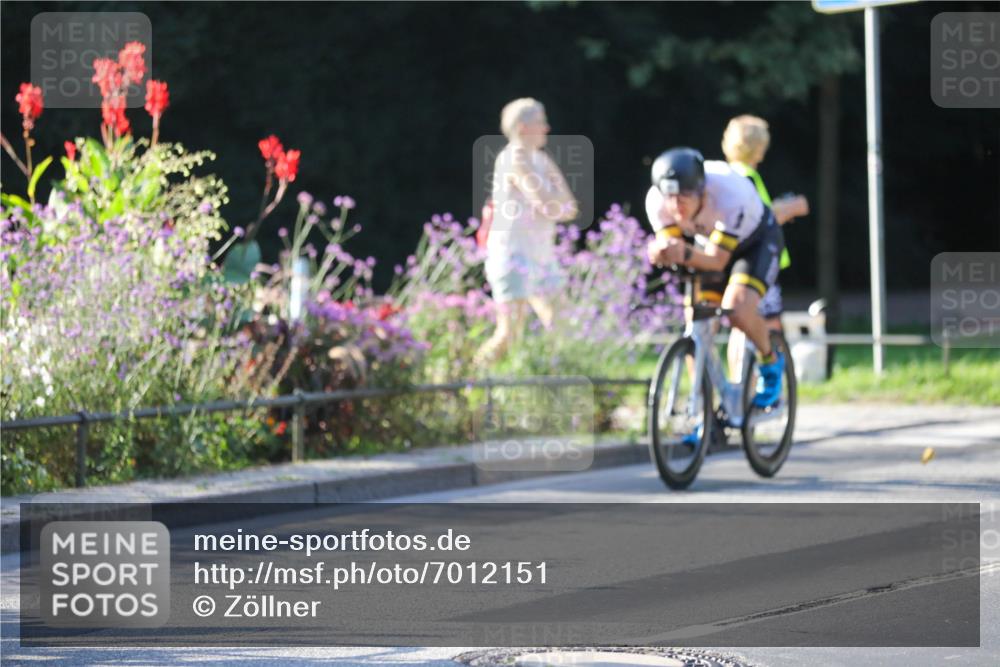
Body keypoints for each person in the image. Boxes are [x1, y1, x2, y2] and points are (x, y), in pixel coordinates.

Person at [645, 147, 785, 412]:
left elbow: (717, 261)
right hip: (709, 243)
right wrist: (661, 251)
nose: (676, 205)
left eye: (685, 196)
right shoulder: (656, 200)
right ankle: (704, 410)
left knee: (737, 309)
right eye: (670, 197)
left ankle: (771, 362)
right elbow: (673, 247)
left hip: (754, 244)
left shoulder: (730, 193)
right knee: (697, 323)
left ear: (702, 191)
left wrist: (683, 253)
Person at [474, 98, 578, 366]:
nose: (546, 128)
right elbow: (548, 204)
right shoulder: (513, 158)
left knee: (561, 322)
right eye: (541, 122)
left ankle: (552, 376)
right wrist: (555, 203)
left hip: (541, 256)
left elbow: (570, 208)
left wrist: (554, 203)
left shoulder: (541, 159)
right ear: (522, 127)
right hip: (513, 256)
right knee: (509, 333)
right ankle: (471, 377)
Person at [721, 115, 809, 379]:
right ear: (759, 147)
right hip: (758, 266)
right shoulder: (747, 176)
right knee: (767, 325)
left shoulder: (729, 175)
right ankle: (768, 383)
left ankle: (739, 386)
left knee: (739, 326)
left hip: (733, 261)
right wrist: (793, 207)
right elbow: (761, 220)